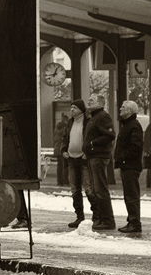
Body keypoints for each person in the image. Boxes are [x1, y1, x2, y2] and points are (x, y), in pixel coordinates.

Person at [59, 100, 95, 228]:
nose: (72, 109)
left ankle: (96, 216)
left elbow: (91, 138)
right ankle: (79, 216)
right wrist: (63, 150)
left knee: (89, 188)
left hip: (83, 158)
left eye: (74, 107)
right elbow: (65, 138)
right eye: (71, 107)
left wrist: (88, 153)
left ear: (81, 109)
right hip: (71, 159)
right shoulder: (70, 122)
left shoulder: (88, 121)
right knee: (75, 189)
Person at [83, 95, 116, 230]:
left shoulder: (102, 116)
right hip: (93, 156)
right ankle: (102, 219)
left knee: (100, 189)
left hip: (99, 156)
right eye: (89, 99)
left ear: (100, 103)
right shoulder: (93, 117)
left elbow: (109, 135)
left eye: (92, 100)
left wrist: (92, 144)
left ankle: (107, 220)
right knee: (97, 189)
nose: (88, 101)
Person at [114, 100, 144, 233]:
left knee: (131, 195)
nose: (120, 109)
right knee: (129, 195)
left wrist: (123, 158)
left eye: (123, 107)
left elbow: (135, 147)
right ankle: (132, 221)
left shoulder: (133, 126)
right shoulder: (128, 125)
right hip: (127, 165)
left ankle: (135, 223)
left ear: (130, 111)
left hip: (130, 166)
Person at [55, 113, 69, 186]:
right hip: (62, 149)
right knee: (65, 166)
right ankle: (65, 181)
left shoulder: (57, 128)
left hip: (57, 149)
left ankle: (59, 182)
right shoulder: (64, 128)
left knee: (59, 166)